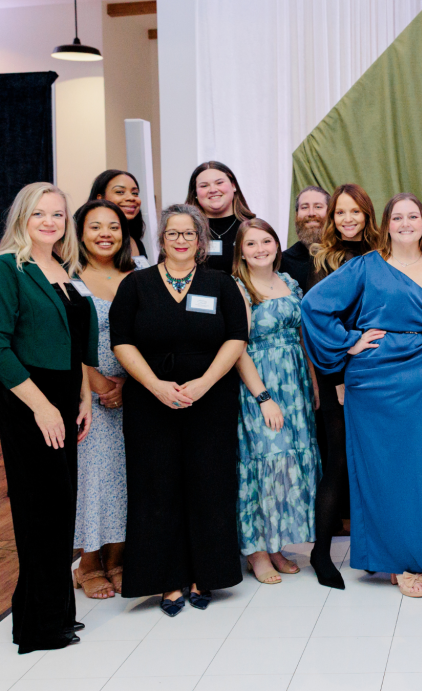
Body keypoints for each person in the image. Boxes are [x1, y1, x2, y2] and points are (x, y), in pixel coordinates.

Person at [302, 193, 422, 597]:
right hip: (379, 386)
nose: (406, 223)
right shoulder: (365, 268)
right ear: (387, 224)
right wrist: (349, 342)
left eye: (413, 216)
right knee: (391, 476)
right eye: (398, 217)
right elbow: (314, 306)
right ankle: (397, 564)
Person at [110, 203, 248, 617]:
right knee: (157, 488)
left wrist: (205, 382)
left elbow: (237, 338)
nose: (182, 240)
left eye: (190, 233)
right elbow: (121, 341)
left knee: (209, 486)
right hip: (151, 402)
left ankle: (203, 574)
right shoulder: (136, 284)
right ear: (162, 239)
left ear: (201, 240)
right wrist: (155, 385)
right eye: (174, 233)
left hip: (211, 400)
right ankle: (165, 579)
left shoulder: (220, 284)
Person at [0, 182, 96, 653]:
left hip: (65, 394)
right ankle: (36, 627)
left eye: (58, 215)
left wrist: (83, 398)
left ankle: (59, 615)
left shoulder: (65, 268)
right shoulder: (8, 268)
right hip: (28, 401)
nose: (50, 222)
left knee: (61, 511)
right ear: (22, 217)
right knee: (38, 513)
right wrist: (42, 407)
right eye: (40, 214)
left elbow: (76, 344)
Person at [232, 218, 321, 584]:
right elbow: (237, 349)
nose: (259, 249)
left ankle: (276, 545)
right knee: (263, 465)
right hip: (260, 385)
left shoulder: (289, 283)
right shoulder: (237, 288)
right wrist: (264, 398)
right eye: (250, 244)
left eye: (265, 241)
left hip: (296, 382)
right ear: (240, 251)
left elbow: (302, 337)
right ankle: (255, 551)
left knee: (288, 467)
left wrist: (312, 382)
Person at [305, 183, 380, 590]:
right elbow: (318, 319)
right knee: (338, 463)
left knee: (377, 464)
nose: (348, 219)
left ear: (368, 215)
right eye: (340, 213)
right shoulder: (325, 259)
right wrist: (346, 353)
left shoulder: (384, 255)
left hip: (382, 375)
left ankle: (375, 548)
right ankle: (321, 552)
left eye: (356, 212)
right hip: (341, 375)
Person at [70, 200, 135, 600]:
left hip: (133, 391)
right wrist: (95, 382)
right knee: (94, 479)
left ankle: (119, 559)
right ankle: (89, 563)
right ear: (80, 233)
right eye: (95, 227)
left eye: (113, 226)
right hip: (86, 396)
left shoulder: (139, 276)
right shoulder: (68, 277)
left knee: (127, 477)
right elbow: (65, 336)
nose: (105, 234)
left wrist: (126, 383)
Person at [184, 161, 256, 274]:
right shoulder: (185, 231)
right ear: (195, 194)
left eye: (219, 183)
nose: (213, 190)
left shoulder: (254, 228)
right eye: (204, 185)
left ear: (233, 186)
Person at [89, 170, 148, 261]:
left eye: (135, 193)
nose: (131, 198)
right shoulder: (86, 241)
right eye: (120, 192)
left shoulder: (136, 242)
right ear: (100, 198)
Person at [280, 185, 330, 290]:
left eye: (318, 207)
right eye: (304, 207)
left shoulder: (345, 256)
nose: (311, 213)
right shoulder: (283, 261)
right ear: (296, 215)